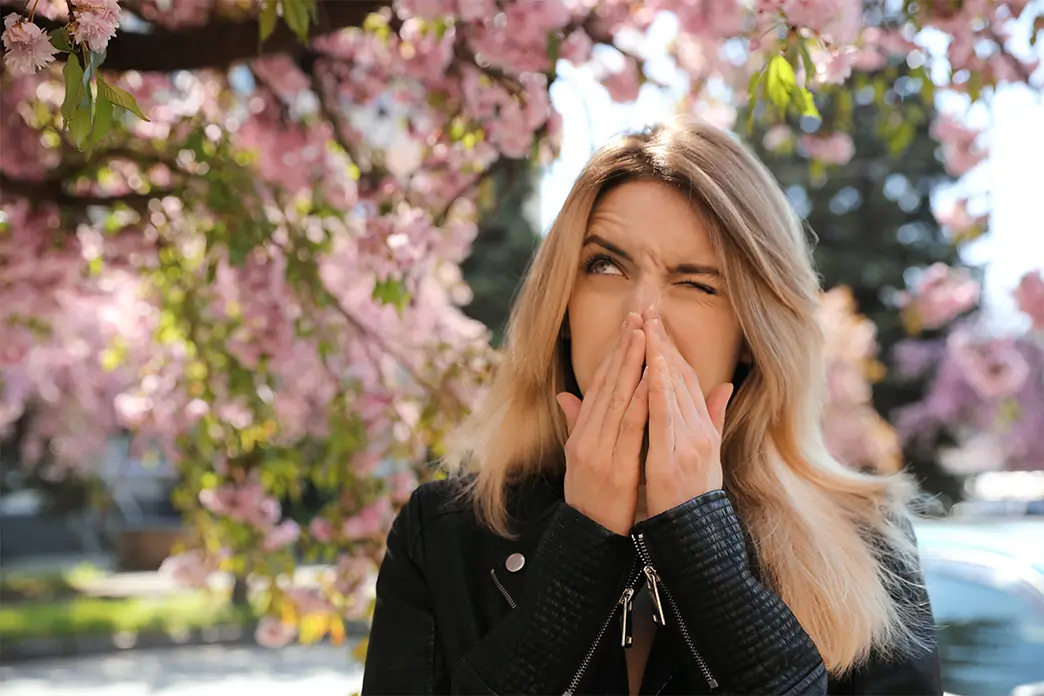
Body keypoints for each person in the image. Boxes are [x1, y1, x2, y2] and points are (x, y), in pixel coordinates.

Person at [360, 117, 942, 695]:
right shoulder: (443, 535)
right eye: (606, 266)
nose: (642, 315)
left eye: (697, 283)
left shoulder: (866, 540)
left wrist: (699, 540)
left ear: (750, 335)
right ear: (562, 308)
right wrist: (580, 548)